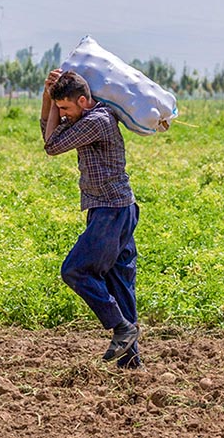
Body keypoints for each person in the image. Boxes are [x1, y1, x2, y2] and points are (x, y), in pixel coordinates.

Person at [40, 69, 141, 369]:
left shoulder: (97, 121)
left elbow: (52, 145)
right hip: (115, 209)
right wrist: (48, 98)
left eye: (65, 108)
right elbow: (50, 133)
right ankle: (131, 362)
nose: (62, 114)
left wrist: (48, 101)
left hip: (111, 211)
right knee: (119, 282)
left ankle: (120, 327)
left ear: (83, 101)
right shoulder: (84, 119)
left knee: (75, 270)